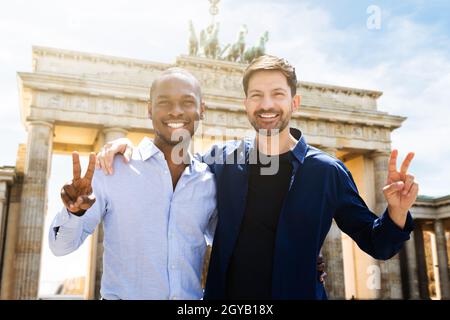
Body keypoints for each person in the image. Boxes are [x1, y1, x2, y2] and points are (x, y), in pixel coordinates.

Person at [96, 55, 418, 300]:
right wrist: (126, 148)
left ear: (294, 102)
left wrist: (397, 211)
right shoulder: (220, 160)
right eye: (256, 96)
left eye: (277, 94)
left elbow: (379, 243)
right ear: (246, 104)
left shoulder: (327, 172)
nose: (267, 105)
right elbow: (174, 167)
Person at [49, 68, 217, 300]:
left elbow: (233, 247)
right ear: (149, 109)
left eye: (187, 102)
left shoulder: (208, 182)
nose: (176, 110)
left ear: (202, 110)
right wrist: (73, 213)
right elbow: (60, 246)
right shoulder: (111, 168)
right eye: (164, 102)